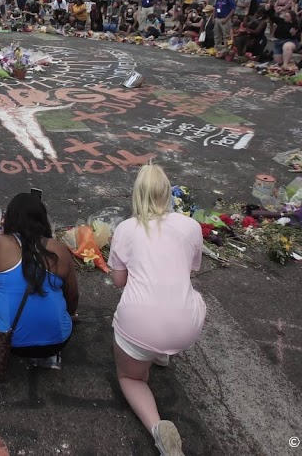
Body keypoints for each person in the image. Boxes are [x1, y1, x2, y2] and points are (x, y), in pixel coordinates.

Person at [107, 164, 206, 456]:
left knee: (131, 377)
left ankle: (157, 428)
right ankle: (162, 354)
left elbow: (119, 282)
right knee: (186, 294)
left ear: (136, 194)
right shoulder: (190, 226)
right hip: (186, 327)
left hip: (139, 326)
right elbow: (189, 270)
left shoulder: (126, 228)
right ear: (168, 194)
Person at [0, 192, 78, 370]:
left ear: (8, 219)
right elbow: (73, 296)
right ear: (43, 220)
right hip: (58, 341)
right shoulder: (59, 249)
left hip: (8, 343)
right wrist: (67, 314)